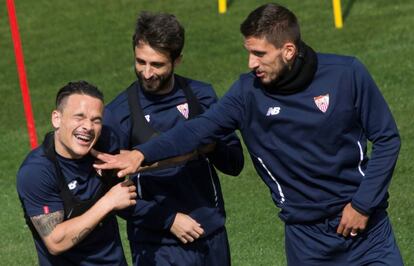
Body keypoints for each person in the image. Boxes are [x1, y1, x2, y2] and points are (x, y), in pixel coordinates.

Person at [94, 3, 404, 265]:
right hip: (307, 241)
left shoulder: (347, 74)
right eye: (248, 53)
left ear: (288, 50)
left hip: (367, 231)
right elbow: (198, 130)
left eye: (259, 54)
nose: (250, 63)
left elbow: (388, 138)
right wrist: (141, 154)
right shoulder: (246, 93)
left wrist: (362, 204)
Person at [101, 12, 244, 266]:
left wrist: (207, 145)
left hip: (210, 235)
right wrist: (168, 220)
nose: (146, 73)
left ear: (177, 60)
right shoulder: (119, 113)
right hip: (157, 244)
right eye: (140, 62)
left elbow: (234, 163)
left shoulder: (202, 96)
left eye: (157, 65)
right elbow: (110, 194)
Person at [16, 81, 137, 266]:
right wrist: (108, 202)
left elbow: (134, 162)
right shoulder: (37, 172)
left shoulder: (106, 143)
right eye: (79, 117)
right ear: (57, 118)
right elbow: (56, 242)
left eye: (96, 120)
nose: (88, 127)